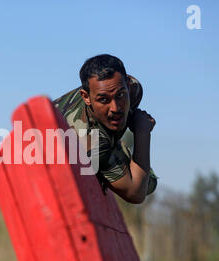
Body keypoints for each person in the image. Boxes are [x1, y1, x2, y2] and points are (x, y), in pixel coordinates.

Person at [54, 54, 158, 204]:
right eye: (103, 99)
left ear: (127, 86)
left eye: (121, 95)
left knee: (149, 182)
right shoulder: (89, 141)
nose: (115, 108)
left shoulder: (134, 90)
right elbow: (135, 193)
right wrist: (143, 132)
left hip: (100, 143)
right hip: (43, 172)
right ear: (86, 97)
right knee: (146, 183)